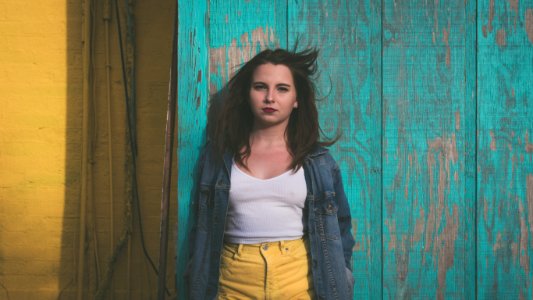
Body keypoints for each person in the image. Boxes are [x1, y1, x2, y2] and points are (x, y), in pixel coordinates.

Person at [186, 47, 355, 300]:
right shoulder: (216, 158)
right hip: (233, 281)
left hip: (299, 280)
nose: (270, 98)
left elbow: (340, 227)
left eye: (282, 89)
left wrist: (342, 275)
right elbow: (200, 225)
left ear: (296, 99)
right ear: (247, 94)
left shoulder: (319, 162)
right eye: (260, 87)